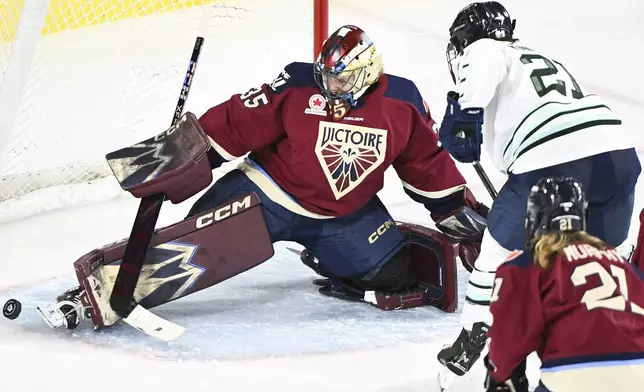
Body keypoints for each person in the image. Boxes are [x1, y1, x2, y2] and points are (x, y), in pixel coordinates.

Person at [42, 25, 489, 331]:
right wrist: (181, 155)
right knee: (196, 244)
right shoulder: (297, 83)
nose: (330, 86)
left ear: (369, 70)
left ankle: (326, 256)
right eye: (327, 77)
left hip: (345, 214)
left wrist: (454, 209)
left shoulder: (404, 101)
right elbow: (238, 122)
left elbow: (425, 162)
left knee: (393, 274)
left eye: (342, 79)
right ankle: (93, 293)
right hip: (269, 192)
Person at [436, 1, 642, 375]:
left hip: (554, 159)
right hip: (618, 152)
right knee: (603, 257)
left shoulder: (483, 49)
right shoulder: (536, 56)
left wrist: (463, 114)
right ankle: (617, 342)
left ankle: (472, 339)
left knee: (494, 258)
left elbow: (479, 69)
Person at [482, 176, 644, 392]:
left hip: (574, 373)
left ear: (534, 218)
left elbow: (509, 335)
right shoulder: (622, 264)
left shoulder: (529, 263)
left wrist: (499, 374)